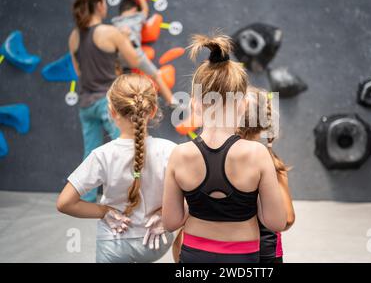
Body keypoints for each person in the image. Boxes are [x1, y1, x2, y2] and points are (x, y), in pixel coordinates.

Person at [162, 33, 286, 263]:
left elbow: (170, 222)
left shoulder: (179, 155)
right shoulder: (257, 154)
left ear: (194, 105)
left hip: (194, 257)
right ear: (244, 105)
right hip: (242, 258)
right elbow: (276, 222)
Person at [57, 73, 176, 263]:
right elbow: (195, 198)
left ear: (112, 112)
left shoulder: (101, 155)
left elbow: (64, 203)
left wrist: (104, 211)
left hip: (114, 243)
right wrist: (164, 216)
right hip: (156, 242)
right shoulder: (171, 150)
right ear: (152, 111)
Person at [69, 0, 141, 202]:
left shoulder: (73, 36)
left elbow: (79, 71)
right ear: (100, 5)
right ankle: (128, 196)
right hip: (109, 102)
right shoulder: (111, 32)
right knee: (125, 149)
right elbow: (135, 61)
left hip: (85, 103)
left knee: (91, 151)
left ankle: (87, 198)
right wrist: (125, 38)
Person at [237, 86, 296, 263]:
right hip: (265, 254)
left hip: (226, 252)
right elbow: (287, 218)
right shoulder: (272, 162)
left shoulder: (217, 160)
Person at [111, 0, 175, 106]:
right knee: (156, 76)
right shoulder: (135, 17)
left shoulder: (115, 23)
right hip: (134, 52)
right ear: (134, 10)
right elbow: (145, 10)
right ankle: (172, 102)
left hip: (119, 56)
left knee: (120, 83)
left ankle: (120, 105)